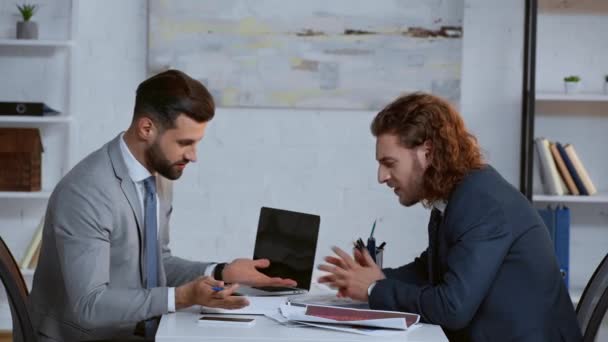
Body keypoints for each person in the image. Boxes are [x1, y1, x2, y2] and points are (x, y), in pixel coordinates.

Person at [28, 70, 296, 341]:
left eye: (197, 142)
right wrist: (182, 297)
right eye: (184, 143)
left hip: (136, 329)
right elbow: (90, 305)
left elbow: (157, 263)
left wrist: (221, 271)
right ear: (147, 129)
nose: (193, 156)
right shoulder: (87, 192)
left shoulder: (157, 174)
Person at [318, 92, 582, 341]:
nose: (381, 177)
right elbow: (430, 269)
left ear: (428, 153)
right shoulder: (456, 195)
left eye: (389, 163)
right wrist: (378, 278)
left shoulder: (483, 202)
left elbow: (452, 307)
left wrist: (374, 289)